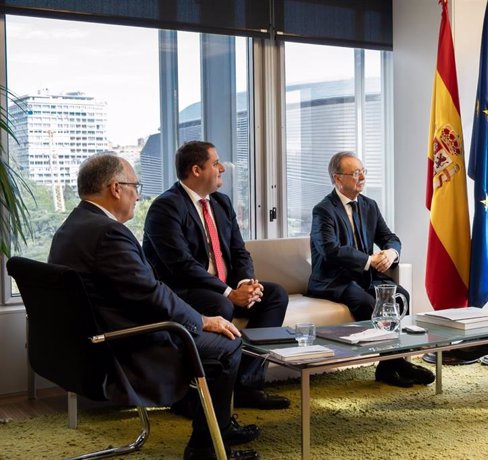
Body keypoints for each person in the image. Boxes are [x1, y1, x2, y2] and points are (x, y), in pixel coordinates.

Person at [48, 154, 259, 460]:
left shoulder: (73, 225)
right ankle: (206, 447)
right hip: (124, 342)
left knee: (216, 329)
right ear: (115, 188)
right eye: (135, 186)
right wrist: (202, 321)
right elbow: (149, 294)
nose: (138, 194)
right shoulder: (107, 233)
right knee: (227, 345)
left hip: (91, 338)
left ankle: (220, 427)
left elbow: (142, 290)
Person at [143, 140, 290, 410]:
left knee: (275, 296)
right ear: (197, 170)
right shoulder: (165, 207)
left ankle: (245, 385)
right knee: (220, 304)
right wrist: (229, 293)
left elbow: (239, 251)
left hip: (221, 286)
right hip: (181, 290)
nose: (222, 168)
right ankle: (196, 394)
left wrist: (246, 283)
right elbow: (181, 266)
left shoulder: (221, 203)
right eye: (215, 163)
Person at [307, 151, 435, 388]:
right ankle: (395, 365)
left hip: (365, 276)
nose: (362, 177)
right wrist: (369, 260)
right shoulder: (323, 210)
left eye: (363, 171)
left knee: (400, 295)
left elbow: (389, 237)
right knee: (371, 305)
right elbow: (330, 250)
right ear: (337, 178)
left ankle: (391, 365)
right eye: (356, 173)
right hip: (333, 280)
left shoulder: (369, 205)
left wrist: (390, 253)